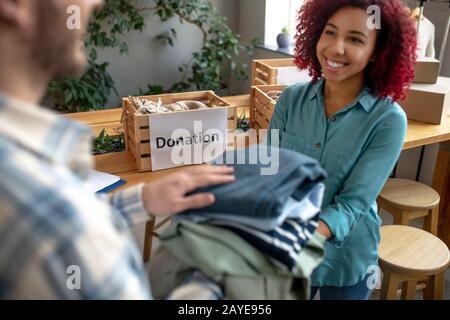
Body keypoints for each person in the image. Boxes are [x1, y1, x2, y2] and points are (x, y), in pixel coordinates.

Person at [0, 0, 235, 299]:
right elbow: (66, 226)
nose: (95, 3)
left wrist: (143, 198)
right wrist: (212, 278)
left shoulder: (47, 207)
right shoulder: (57, 224)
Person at [267, 0, 417, 299]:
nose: (336, 48)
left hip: (346, 255)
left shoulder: (388, 120)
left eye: (355, 39)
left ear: (377, 51)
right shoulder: (290, 100)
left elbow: (353, 203)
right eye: (330, 32)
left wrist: (301, 236)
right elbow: (269, 169)